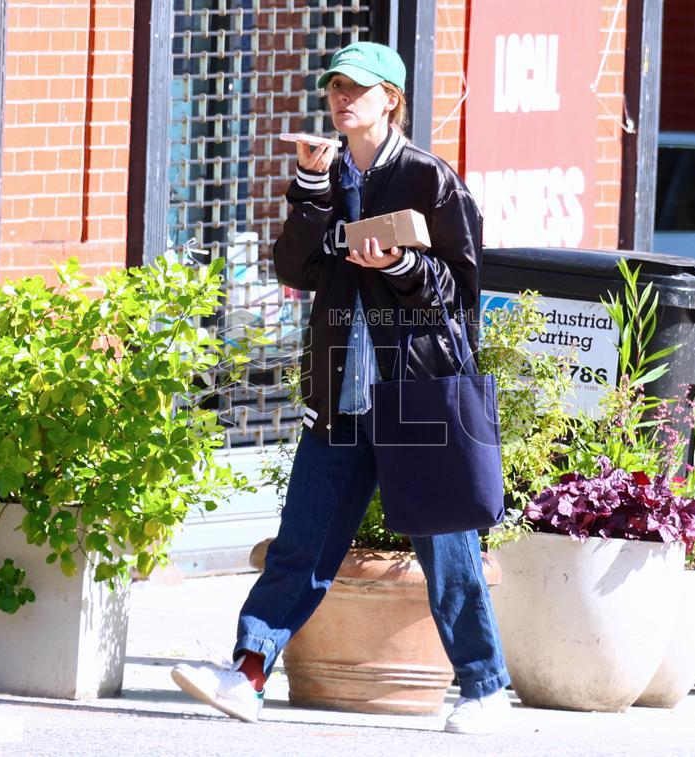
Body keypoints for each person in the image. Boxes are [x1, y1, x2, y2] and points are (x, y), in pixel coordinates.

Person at [171, 41, 512, 735]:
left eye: (359, 87)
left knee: (446, 548)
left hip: (416, 393)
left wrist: (399, 265)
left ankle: (484, 687)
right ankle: (249, 673)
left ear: (392, 98)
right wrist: (308, 186)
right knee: (303, 541)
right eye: (336, 86)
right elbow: (292, 266)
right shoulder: (324, 171)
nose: (343, 98)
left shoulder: (429, 179)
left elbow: (460, 293)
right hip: (340, 389)